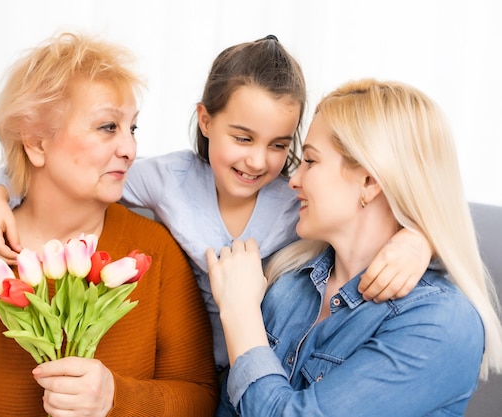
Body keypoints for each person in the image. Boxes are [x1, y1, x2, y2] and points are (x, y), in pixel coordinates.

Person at [0, 35, 432, 372]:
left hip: (263, 367)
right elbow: (69, 169)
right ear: (206, 120)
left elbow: (381, 207)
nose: (258, 161)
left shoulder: (299, 199)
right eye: (241, 137)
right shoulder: (168, 180)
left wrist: (417, 240)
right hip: (186, 363)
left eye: (278, 144)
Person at [0, 32, 219, 417]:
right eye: (107, 127)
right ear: (36, 144)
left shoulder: (155, 250)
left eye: (132, 128)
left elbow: (199, 398)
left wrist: (116, 398)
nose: (130, 150)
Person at [207, 79, 502, 416]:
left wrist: (240, 314)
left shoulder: (441, 322)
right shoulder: (289, 282)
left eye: (311, 161)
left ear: (370, 181)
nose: (293, 180)